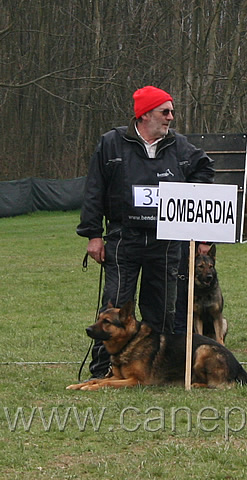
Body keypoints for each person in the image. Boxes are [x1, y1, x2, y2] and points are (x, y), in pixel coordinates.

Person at [77, 85, 215, 378]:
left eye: (172, 112)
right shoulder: (112, 143)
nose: (170, 118)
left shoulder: (179, 145)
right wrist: (93, 234)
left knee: (162, 309)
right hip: (123, 238)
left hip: (165, 242)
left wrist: (190, 205)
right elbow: (94, 190)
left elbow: (205, 170)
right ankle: (103, 370)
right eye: (165, 112)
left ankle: (158, 370)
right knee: (114, 306)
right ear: (144, 114)